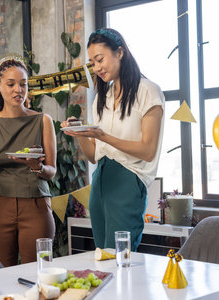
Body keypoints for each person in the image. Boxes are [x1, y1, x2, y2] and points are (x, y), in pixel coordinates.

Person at [62, 28, 165, 251]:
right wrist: (79, 133)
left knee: (121, 256)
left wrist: (104, 136)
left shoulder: (148, 91)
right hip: (100, 180)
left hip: (128, 180)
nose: (97, 68)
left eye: (100, 59)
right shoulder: (102, 97)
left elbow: (148, 150)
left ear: (119, 52)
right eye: (92, 63)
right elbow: (92, 156)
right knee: (103, 255)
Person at [0, 57, 57, 267]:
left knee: (40, 270)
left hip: (36, 205)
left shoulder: (43, 121)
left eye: (23, 84)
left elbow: (51, 172)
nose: (18, 90)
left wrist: (37, 167)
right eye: (11, 84)